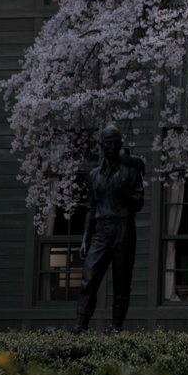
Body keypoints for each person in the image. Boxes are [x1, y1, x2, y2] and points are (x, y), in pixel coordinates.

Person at [72, 123, 145, 333]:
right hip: (101, 231)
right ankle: (80, 326)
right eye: (108, 143)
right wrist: (86, 238)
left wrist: (124, 194)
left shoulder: (131, 172)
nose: (112, 147)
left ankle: (116, 327)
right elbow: (91, 209)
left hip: (124, 227)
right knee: (88, 279)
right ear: (101, 146)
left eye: (116, 143)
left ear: (121, 145)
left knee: (121, 284)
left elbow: (139, 204)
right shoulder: (94, 175)